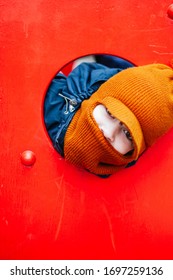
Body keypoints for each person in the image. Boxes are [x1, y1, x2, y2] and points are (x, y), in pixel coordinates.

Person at [44, 56, 173, 176]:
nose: (109, 133)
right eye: (110, 113)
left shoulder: (131, 185)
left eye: (127, 134)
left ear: (136, 150)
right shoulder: (51, 97)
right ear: (96, 98)